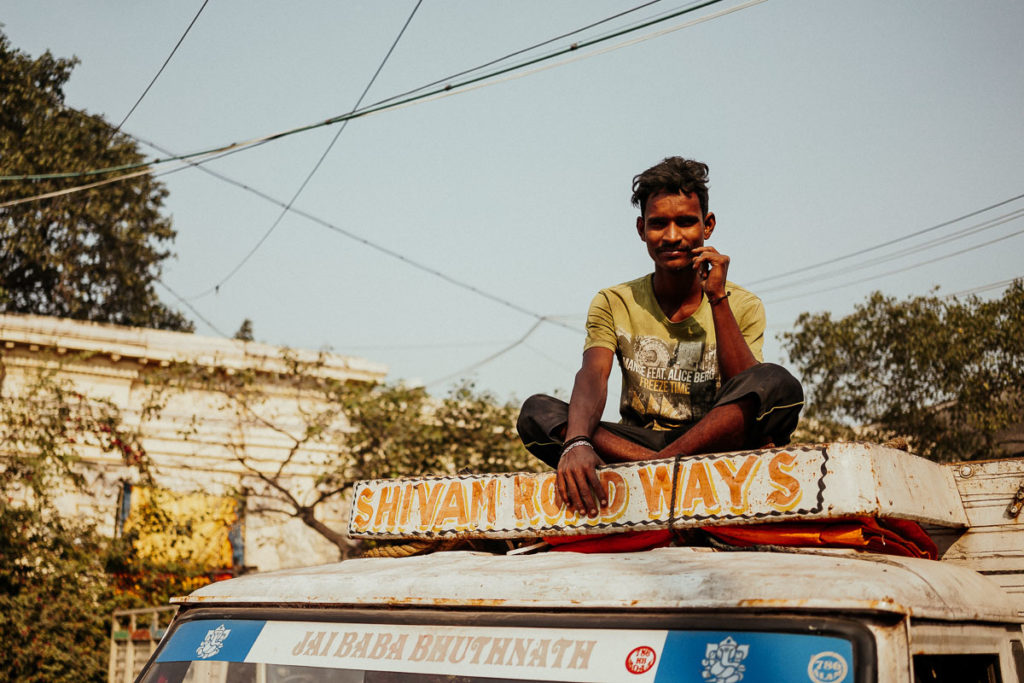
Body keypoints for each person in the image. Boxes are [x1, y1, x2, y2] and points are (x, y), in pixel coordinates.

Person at [517, 157, 803, 518]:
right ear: (641, 229)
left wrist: (717, 299)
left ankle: (656, 469)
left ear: (707, 225)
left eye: (685, 222)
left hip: (714, 439)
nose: (671, 236)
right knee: (537, 412)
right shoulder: (614, 301)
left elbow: (746, 385)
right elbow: (593, 374)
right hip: (637, 442)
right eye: (658, 224)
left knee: (777, 382)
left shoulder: (741, 304)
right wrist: (577, 441)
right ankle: (662, 467)